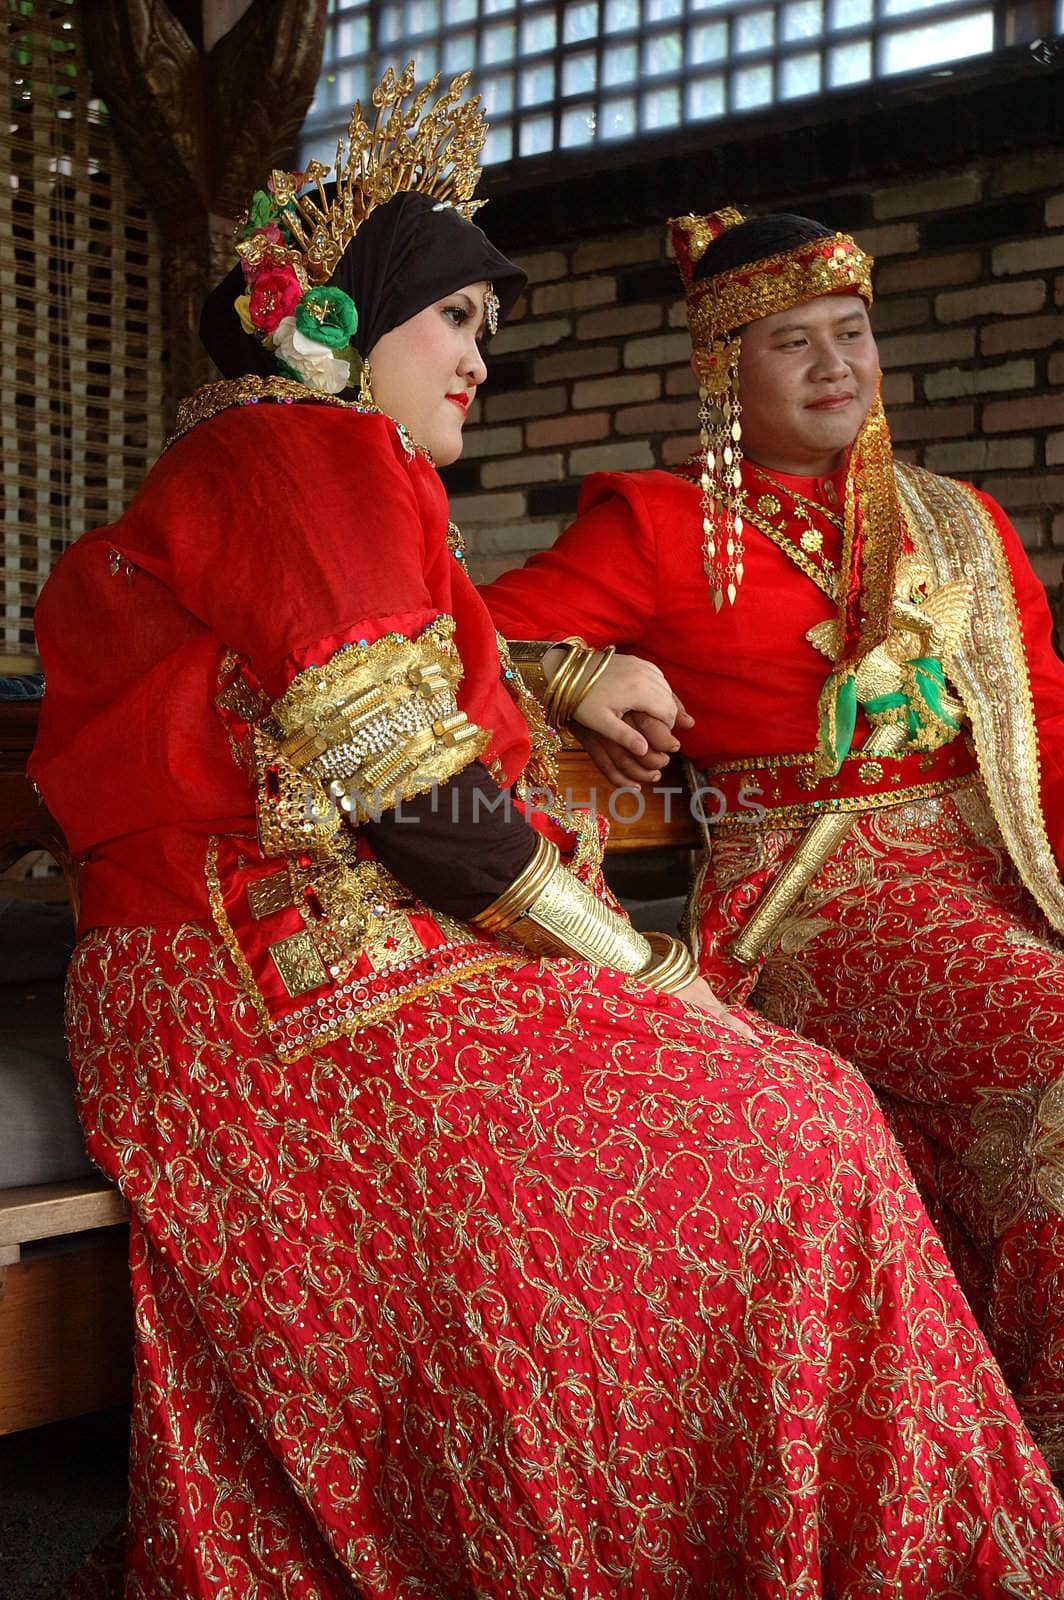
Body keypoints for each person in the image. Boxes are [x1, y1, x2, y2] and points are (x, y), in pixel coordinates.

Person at [31, 76, 1064, 1595]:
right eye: (452, 318)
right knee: (797, 1126)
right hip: (271, 983)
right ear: (342, 319)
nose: (478, 360)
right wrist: (649, 966)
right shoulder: (295, 452)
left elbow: (401, 708)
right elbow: (410, 779)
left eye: (486, 332)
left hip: (312, 965)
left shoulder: (312, 475)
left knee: (797, 1117)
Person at [481, 206, 1064, 1471]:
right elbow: (458, 642)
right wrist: (579, 668)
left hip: (991, 877)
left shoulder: (958, 520)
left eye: (849, 334)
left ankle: (992, 1440)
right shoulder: (654, 521)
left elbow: (1044, 727)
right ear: (721, 374)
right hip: (810, 898)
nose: (833, 366)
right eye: (790, 343)